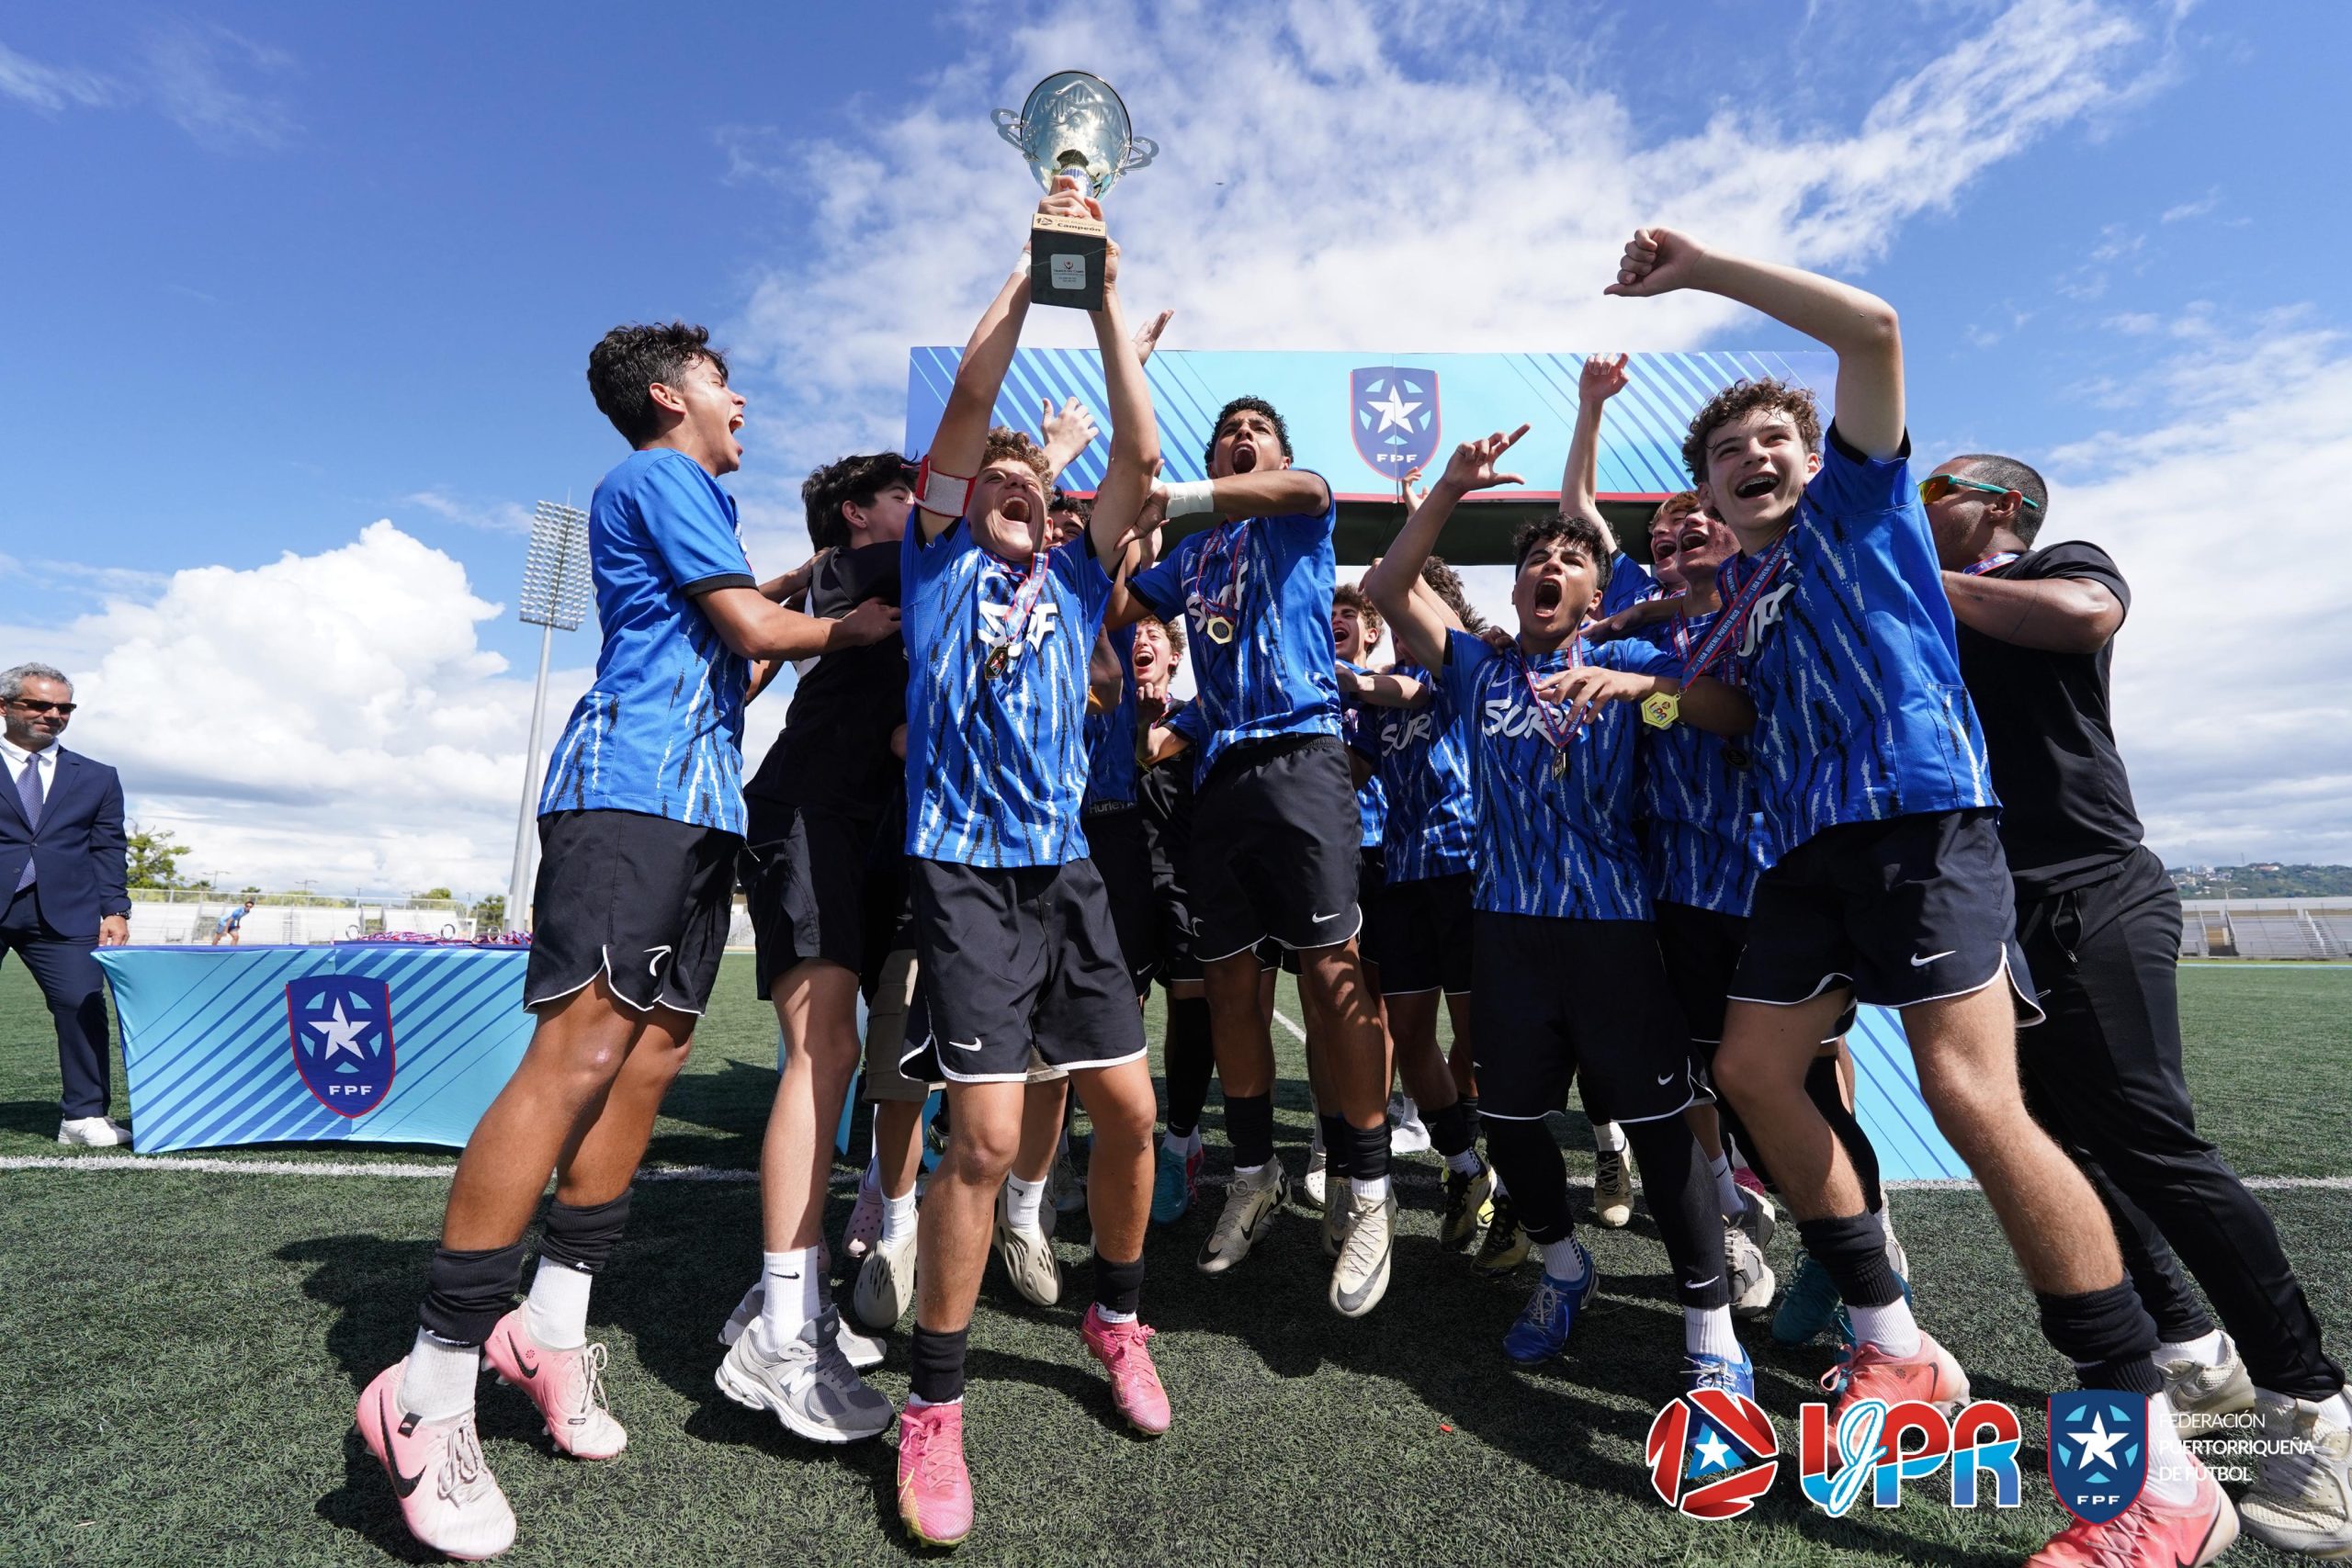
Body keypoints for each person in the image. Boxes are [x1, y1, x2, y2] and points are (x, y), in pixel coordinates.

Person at [1603, 226, 2231, 1565]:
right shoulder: (1747, 593)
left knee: (1971, 1096)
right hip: (1809, 852)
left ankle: (2159, 1467)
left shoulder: (1866, 505)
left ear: (1815, 454)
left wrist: (1705, 272)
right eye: (1727, 455)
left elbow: (1872, 331)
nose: (1755, 459)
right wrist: (1635, 687)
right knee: (1754, 1071)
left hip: (1925, 824)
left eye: (1776, 439)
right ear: (1706, 489)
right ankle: (1895, 1341)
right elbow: (1724, 706)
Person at [354, 321, 895, 1561]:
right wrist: (848, 626)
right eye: (720, 379)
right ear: (669, 396)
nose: (741, 397)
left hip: (696, 805)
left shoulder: (694, 500)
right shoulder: (662, 474)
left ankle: (550, 1325)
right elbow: (759, 637)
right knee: (579, 1055)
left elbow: (736, 663)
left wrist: (800, 600)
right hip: (627, 792)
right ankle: (427, 1386)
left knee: (647, 1065)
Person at [1929, 451, 2350, 1558]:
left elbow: (2079, 619)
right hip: (2001, 915)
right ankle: (2190, 1353)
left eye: (1942, 494)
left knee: (2159, 1148)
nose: (1920, 509)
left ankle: (2314, 1414)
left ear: (2004, 510)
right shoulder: (1930, 612)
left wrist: (1912, 574)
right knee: (2069, 1147)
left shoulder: (2056, 566)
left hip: (2094, 893)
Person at [888, 181, 1169, 1549]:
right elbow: (970, 392)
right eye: (994, 479)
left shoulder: (1072, 577)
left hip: (1066, 873)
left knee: (1131, 1110)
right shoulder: (935, 563)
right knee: (989, 1140)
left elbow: (1137, 446)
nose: (1015, 487)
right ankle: (932, 1404)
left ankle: (1117, 1312)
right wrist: (1032, 260)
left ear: (1059, 520)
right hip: (963, 875)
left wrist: (1104, 289)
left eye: (1035, 484)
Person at [1364, 429, 1759, 1393]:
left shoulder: (1632, 667)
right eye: (1534, 559)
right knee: (1511, 1123)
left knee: (1662, 1131)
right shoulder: (1477, 672)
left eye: (1570, 559)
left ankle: (1710, 1330)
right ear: (1513, 593)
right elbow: (1385, 585)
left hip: (1616, 933)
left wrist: (1646, 685)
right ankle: (1561, 1267)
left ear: (1597, 595)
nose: (1548, 565)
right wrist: (1451, 488)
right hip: (1505, 931)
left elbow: (1736, 715)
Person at [1118, 390, 1399, 1319]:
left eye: (1257, 434)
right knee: (1229, 984)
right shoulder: (1192, 553)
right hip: (1222, 772)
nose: (1241, 441)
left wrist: (1188, 493)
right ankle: (1253, 1172)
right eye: (1226, 433)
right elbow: (1124, 602)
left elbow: (1310, 486)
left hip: (1303, 753)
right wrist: (1129, 518)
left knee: (1330, 971)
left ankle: (1365, 1190)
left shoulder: (1295, 513)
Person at [714, 450, 915, 1439]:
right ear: (855, 514)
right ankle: (784, 1327)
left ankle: (782, 1299)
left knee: (847, 1057)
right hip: (808, 817)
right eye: (902, 494)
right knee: (823, 1050)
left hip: (856, 826)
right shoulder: (863, 566)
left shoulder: (872, 583)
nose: (922, 506)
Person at [1337, 567, 1496, 1253]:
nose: (1405, 633)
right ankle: (1465, 1167)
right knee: (1407, 1030)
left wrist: (1343, 678)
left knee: (1478, 1039)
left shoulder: (1457, 675)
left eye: (1412, 617)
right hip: (1401, 878)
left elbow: (1398, 681)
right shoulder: (1377, 701)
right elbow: (1353, 771)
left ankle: (1517, 1185)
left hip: (1462, 872)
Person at [0, 661, 131, 1147]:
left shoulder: (98, 777)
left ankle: (83, 1116)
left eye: (63, 707)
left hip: (65, 911)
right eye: (38, 704)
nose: (52, 714)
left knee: (82, 1005)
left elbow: (107, 847)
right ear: (5, 706)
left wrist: (115, 909)